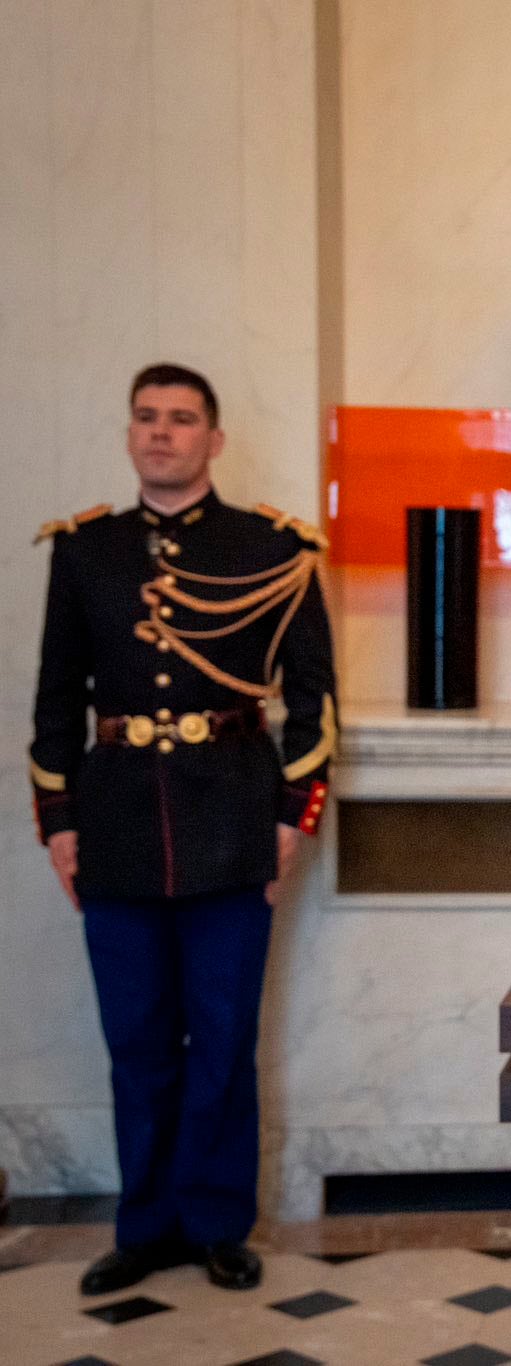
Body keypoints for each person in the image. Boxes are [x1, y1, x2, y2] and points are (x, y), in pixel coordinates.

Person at [31, 363, 337, 1296]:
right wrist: (57, 820)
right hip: (116, 825)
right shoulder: (86, 551)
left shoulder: (272, 550)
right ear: (130, 434)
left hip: (234, 824)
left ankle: (215, 1223)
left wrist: (292, 818)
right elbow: (56, 699)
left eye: (182, 419)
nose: (161, 433)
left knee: (223, 1037)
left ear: (214, 439)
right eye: (147, 418)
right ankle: (145, 1226)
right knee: (137, 1042)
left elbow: (314, 701)